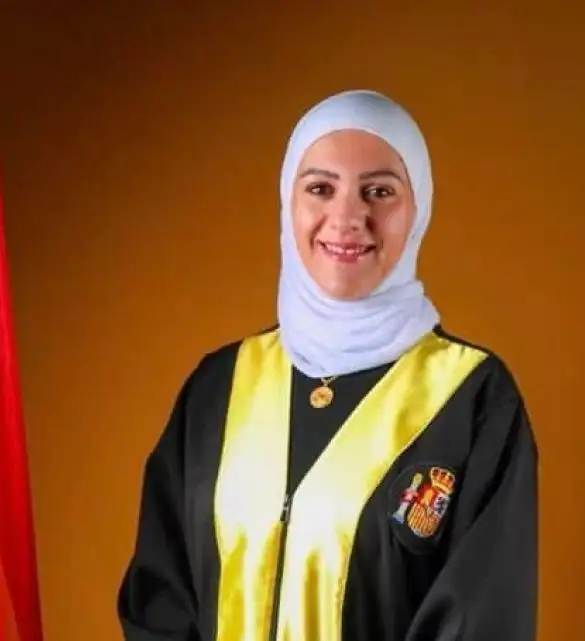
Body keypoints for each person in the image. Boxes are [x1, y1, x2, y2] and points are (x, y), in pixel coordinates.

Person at [116, 89, 539, 641]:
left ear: (418, 210)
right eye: (320, 188)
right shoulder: (218, 387)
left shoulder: (472, 399)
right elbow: (161, 602)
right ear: (287, 202)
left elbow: (480, 621)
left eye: (379, 192)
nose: (347, 217)